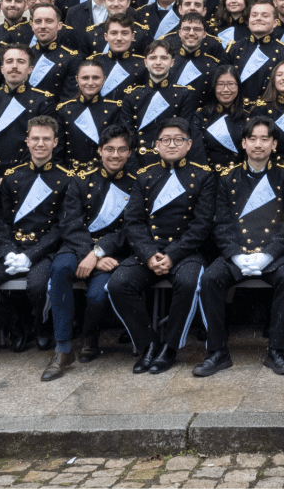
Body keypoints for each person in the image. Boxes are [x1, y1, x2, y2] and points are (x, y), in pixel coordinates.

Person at [0, 115, 78, 380]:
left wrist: (31, 256)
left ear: (55, 142)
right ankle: (16, 327)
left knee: (39, 286)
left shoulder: (67, 179)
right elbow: (2, 220)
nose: (40, 144)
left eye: (46, 139)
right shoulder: (12, 177)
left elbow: (60, 227)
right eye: (35, 138)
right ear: (27, 140)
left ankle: (41, 328)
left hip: (44, 249)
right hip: (14, 245)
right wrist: (8, 250)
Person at [196, 117, 284, 377]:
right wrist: (235, 255)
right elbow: (221, 224)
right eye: (252, 139)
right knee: (210, 278)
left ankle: (277, 350)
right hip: (238, 253)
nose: (258, 144)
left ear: (274, 144)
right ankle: (217, 352)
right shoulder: (228, 178)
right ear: (243, 143)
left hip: (271, 253)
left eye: (265, 139)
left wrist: (268, 255)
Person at [111, 117, 215, 374]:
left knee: (190, 282)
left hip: (186, 251)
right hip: (150, 252)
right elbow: (133, 223)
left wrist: (172, 255)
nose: (172, 144)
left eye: (178, 139)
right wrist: (149, 255)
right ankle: (147, 345)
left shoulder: (203, 177)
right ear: (156, 145)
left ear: (189, 144)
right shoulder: (145, 176)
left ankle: (169, 347)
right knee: (118, 283)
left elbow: (201, 226)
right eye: (165, 140)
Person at [55, 123, 138, 363]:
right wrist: (89, 253)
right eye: (109, 149)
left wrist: (99, 253)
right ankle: (62, 347)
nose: (115, 155)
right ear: (100, 151)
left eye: (122, 150)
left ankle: (90, 338)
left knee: (97, 296)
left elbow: (128, 229)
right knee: (60, 270)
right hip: (76, 245)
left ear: (129, 153)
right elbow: (70, 223)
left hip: (112, 251)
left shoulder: (136, 184)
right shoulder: (80, 181)